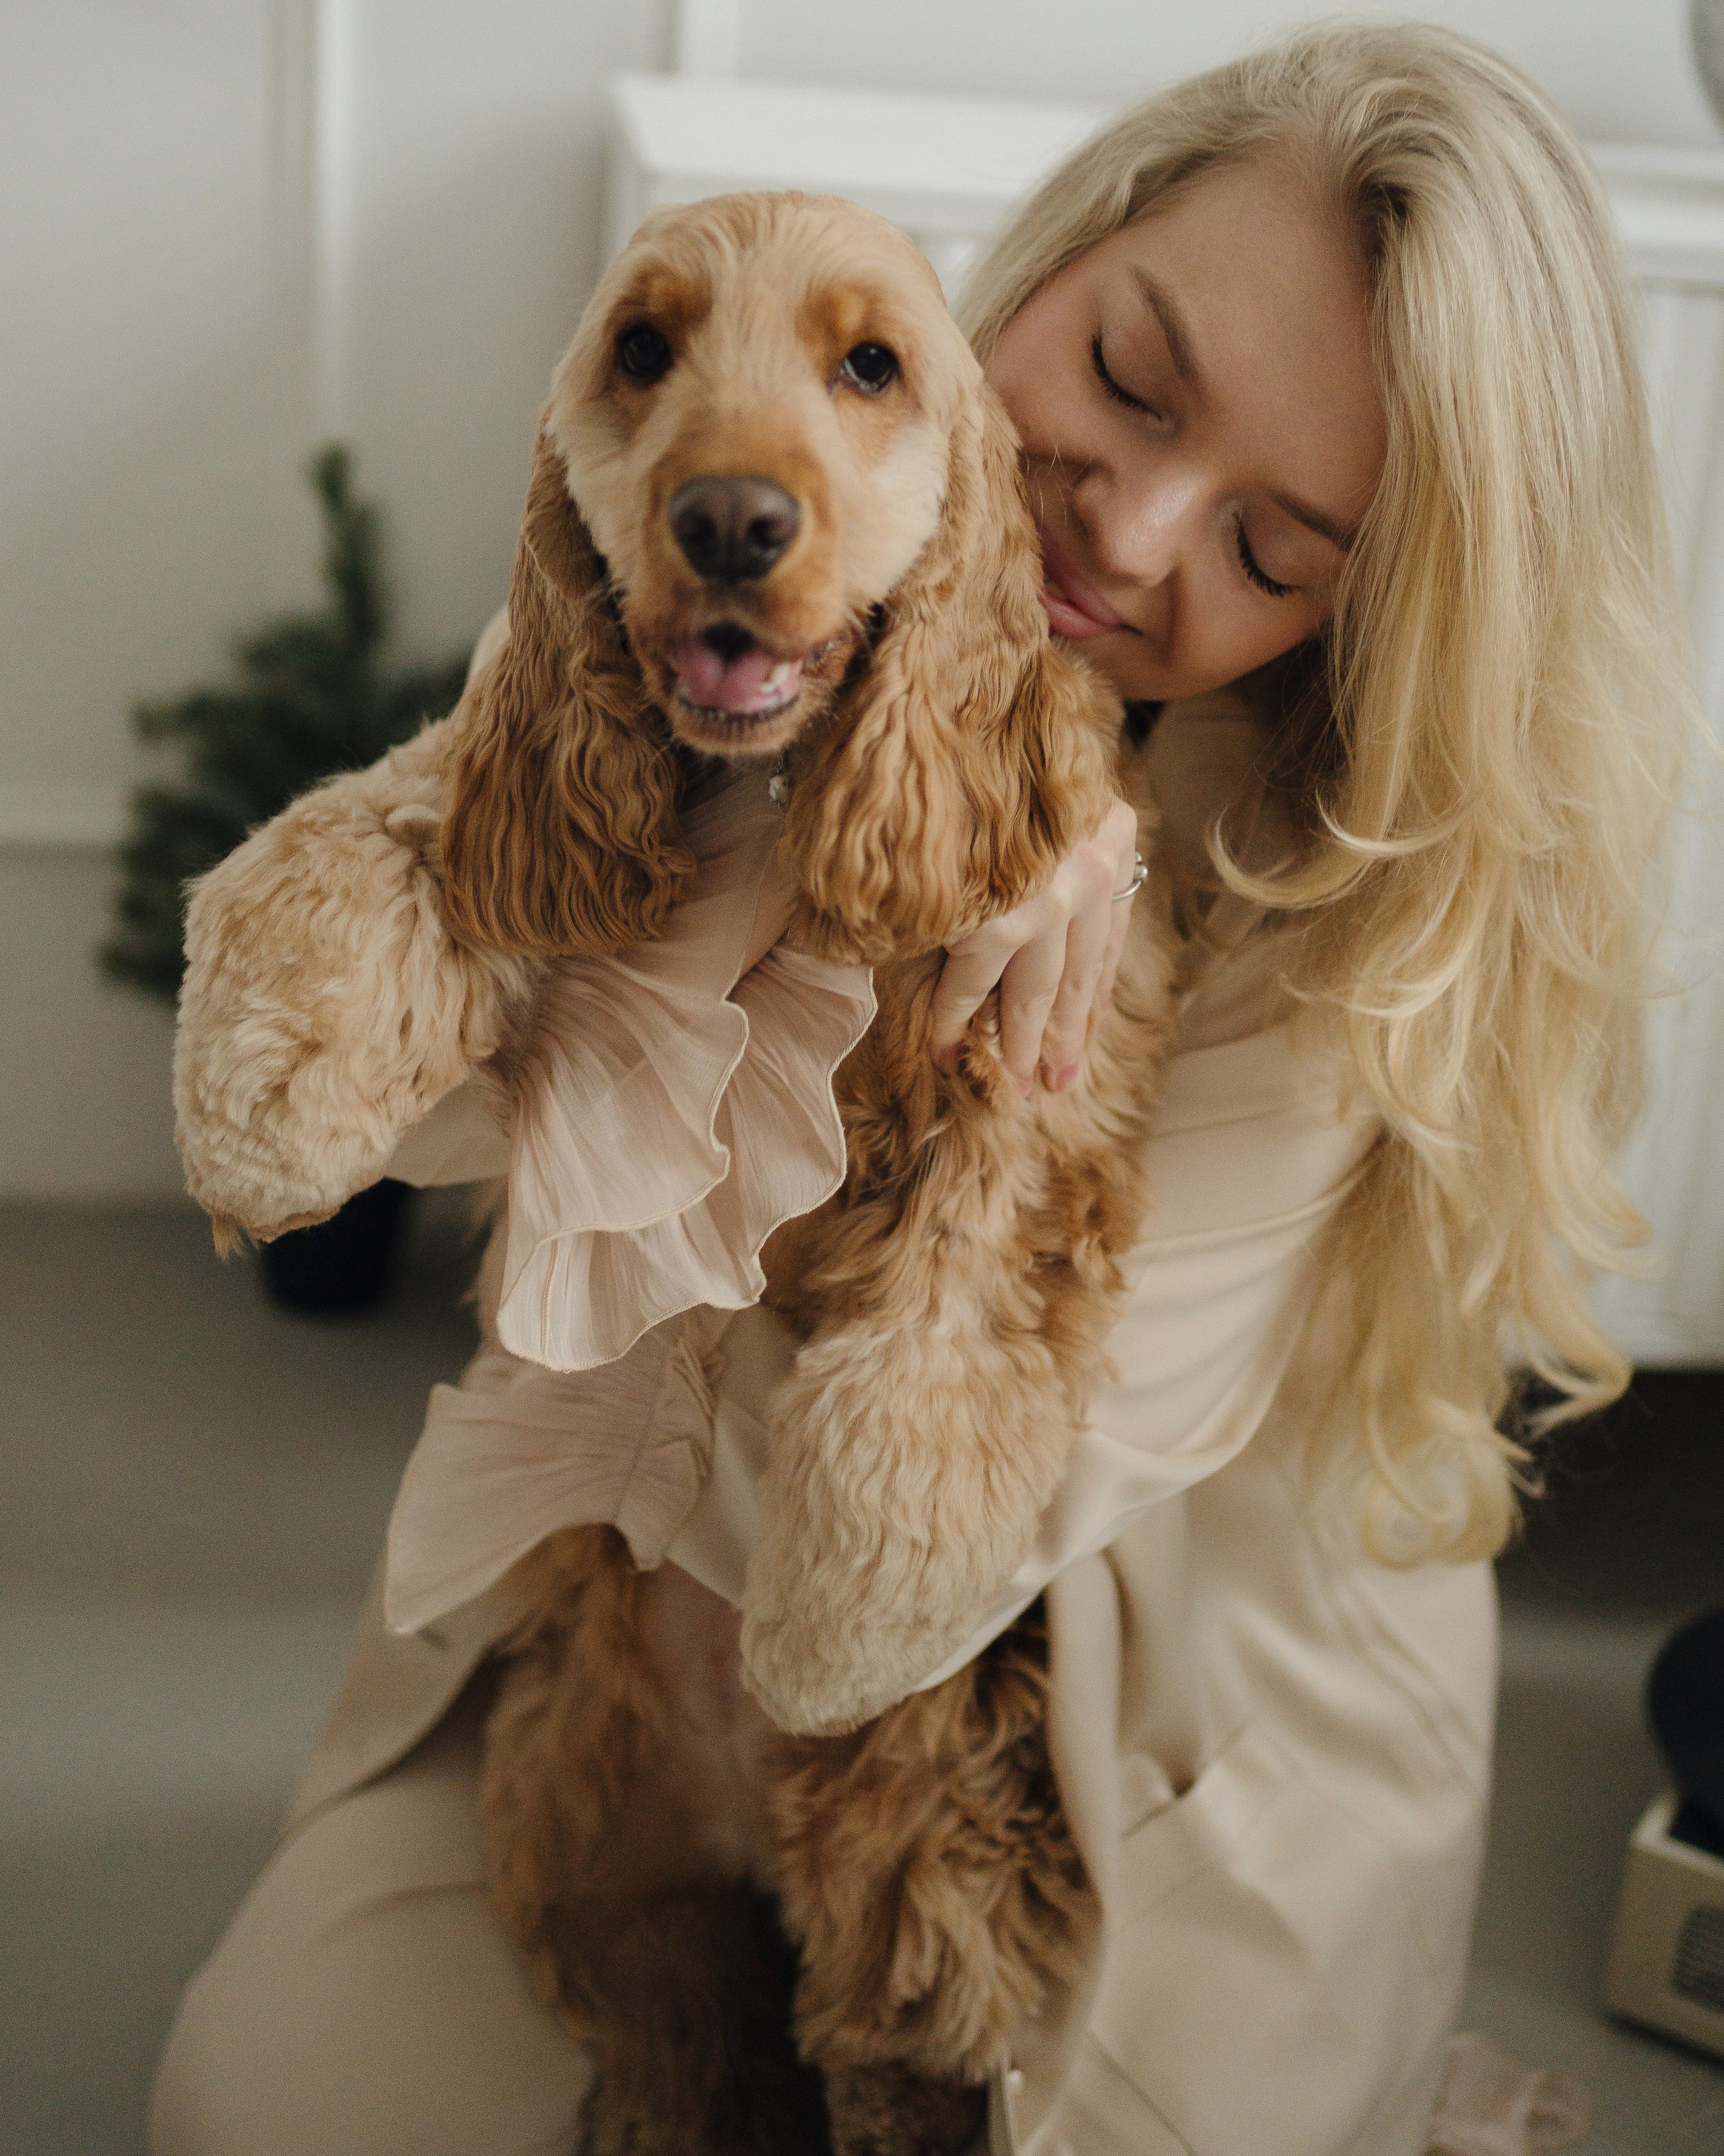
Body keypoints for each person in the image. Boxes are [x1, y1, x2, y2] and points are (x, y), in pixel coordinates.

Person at [150, 22, 1683, 2155]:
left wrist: (1011, 791)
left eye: (1274, 547)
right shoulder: (752, 529)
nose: (1129, 533)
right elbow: (411, 1109)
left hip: (1128, 1734)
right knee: (267, 2104)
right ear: (1060, 257)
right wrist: (855, 777)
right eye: (1133, 379)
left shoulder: (1357, 928)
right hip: (648, 1645)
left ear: (1373, 606)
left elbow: (908, 1520)